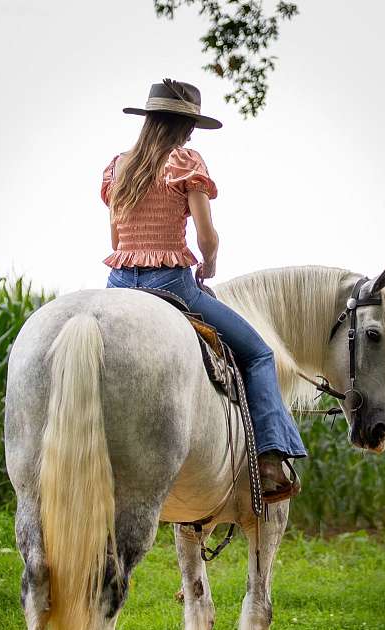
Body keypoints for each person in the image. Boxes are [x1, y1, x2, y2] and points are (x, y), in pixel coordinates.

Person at [101, 78, 306, 502]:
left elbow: (115, 242)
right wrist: (209, 264)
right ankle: (269, 457)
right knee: (258, 354)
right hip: (171, 283)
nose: (192, 132)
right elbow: (206, 235)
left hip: (118, 285)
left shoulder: (117, 167)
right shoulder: (184, 162)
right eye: (190, 124)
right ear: (181, 125)